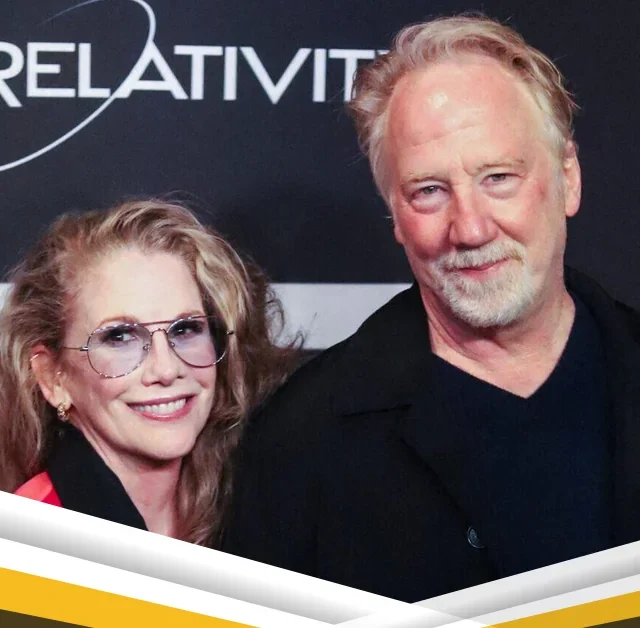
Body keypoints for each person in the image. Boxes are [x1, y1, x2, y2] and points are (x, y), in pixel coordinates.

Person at [221, 15, 640, 601]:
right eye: (429, 191)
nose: (470, 228)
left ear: (567, 177)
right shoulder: (301, 441)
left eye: (498, 178)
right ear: (394, 213)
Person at [0, 198, 297, 546]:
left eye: (185, 329)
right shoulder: (25, 545)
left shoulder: (259, 511)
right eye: (120, 337)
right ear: (52, 377)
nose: (167, 369)